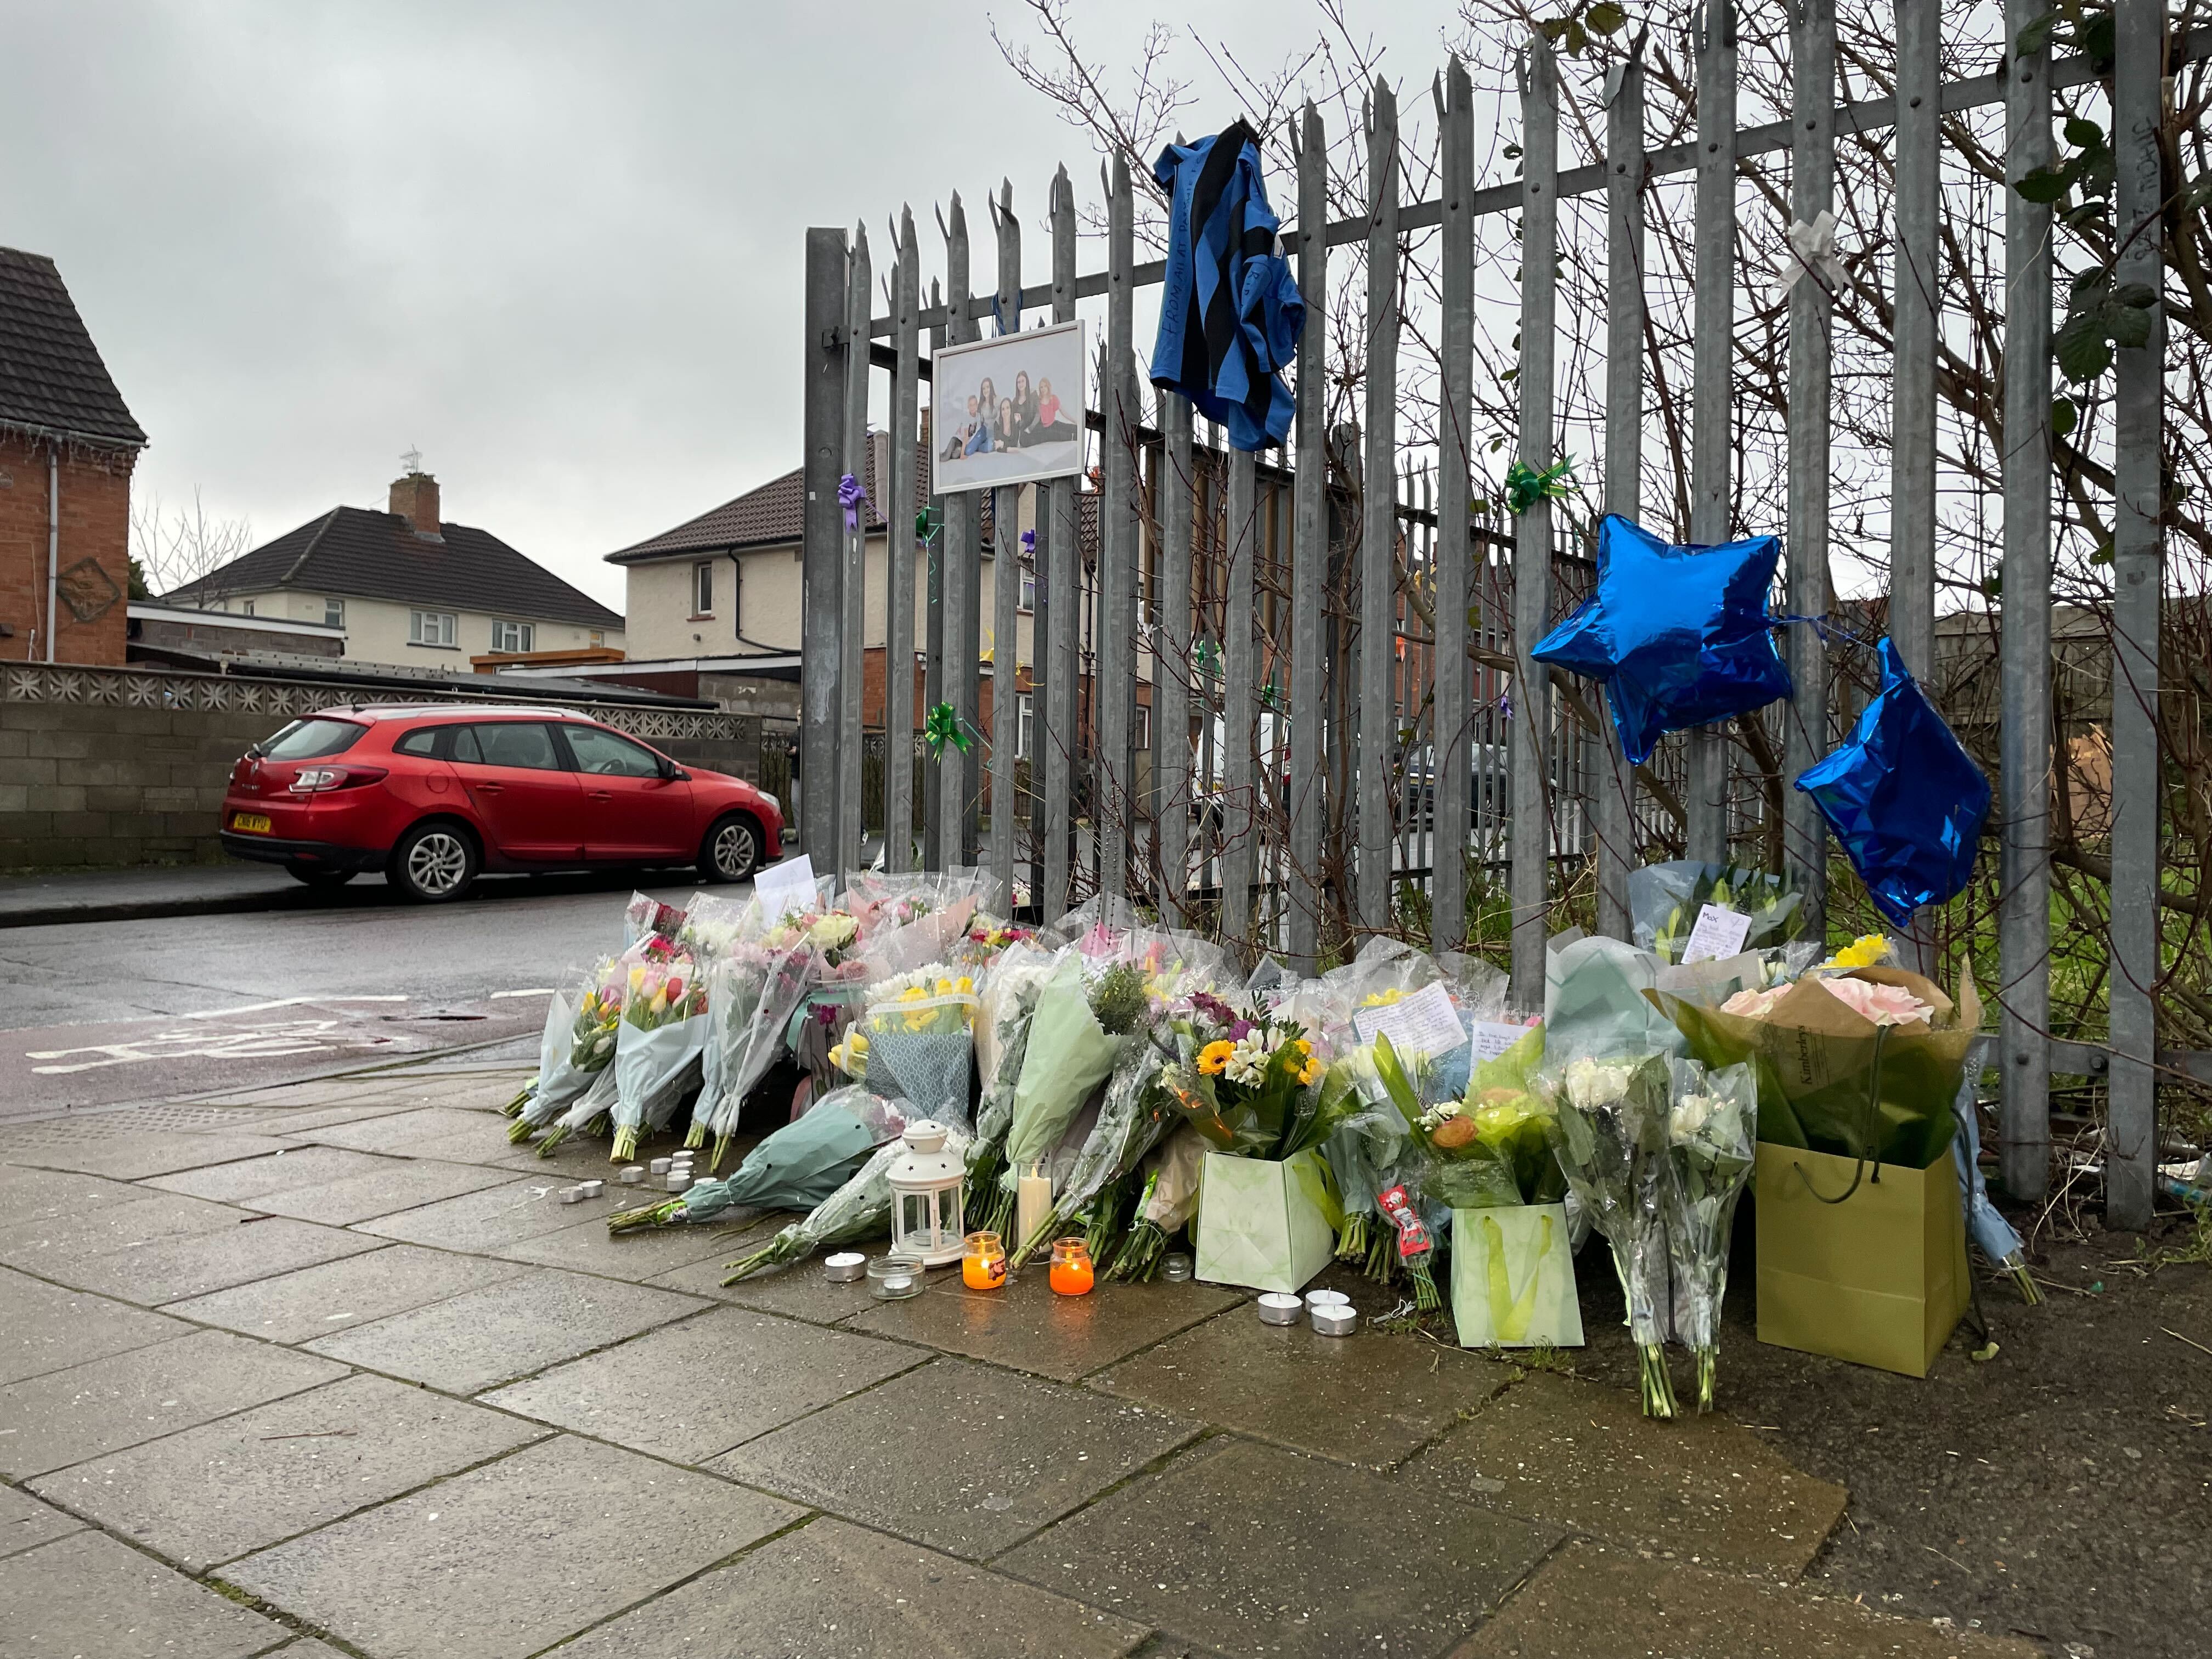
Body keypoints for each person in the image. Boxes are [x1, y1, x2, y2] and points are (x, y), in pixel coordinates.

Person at [1032, 377, 1074, 444]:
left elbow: (1063, 412)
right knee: (1065, 436)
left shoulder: (1053, 398)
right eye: (1041, 387)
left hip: (1054, 424)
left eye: (1045, 386)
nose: (1043, 389)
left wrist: (1075, 421)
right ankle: (1073, 437)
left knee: (1074, 428)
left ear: (1048, 387)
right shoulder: (1038, 402)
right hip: (1045, 429)